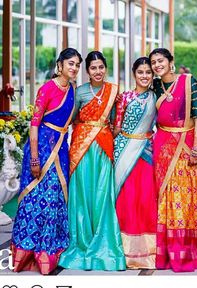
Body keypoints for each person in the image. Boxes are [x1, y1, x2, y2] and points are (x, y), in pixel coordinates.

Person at [11, 48, 83, 274]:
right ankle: (26, 253)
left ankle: (48, 252)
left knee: (55, 200)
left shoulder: (72, 89)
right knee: (34, 199)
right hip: (41, 149)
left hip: (61, 149)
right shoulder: (47, 89)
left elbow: (73, 121)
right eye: (70, 63)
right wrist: (34, 157)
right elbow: (34, 124)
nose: (74, 68)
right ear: (59, 65)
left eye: (77, 65)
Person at [149, 48, 197, 272]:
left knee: (186, 197)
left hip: (186, 146)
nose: (157, 65)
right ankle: (166, 251)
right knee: (164, 198)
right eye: (153, 62)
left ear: (171, 62)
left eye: (161, 61)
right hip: (162, 147)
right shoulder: (155, 86)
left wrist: (196, 148)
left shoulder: (189, 82)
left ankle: (189, 250)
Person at [58, 51, 126, 271]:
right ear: (87, 71)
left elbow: (117, 121)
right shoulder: (79, 92)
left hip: (104, 148)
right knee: (83, 194)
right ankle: (83, 240)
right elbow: (73, 118)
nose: (98, 71)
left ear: (105, 68)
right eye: (93, 68)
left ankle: (104, 243)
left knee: (102, 195)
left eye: (101, 67)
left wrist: (101, 133)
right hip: (81, 149)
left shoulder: (114, 91)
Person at [113, 57, 157, 269]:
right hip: (124, 152)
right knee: (126, 198)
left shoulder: (156, 97)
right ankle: (124, 249)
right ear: (134, 73)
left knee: (146, 199)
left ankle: (149, 250)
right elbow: (117, 126)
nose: (145, 76)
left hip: (147, 152)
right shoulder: (124, 97)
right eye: (141, 72)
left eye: (148, 72)